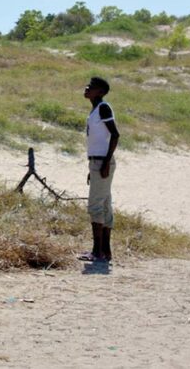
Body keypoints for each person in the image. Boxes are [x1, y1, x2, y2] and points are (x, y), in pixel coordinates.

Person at [80, 76, 120, 262]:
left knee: (96, 205)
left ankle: (97, 252)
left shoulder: (103, 108)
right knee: (104, 204)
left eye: (92, 87)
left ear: (101, 92)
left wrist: (105, 163)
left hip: (102, 162)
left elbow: (115, 134)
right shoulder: (95, 110)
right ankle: (105, 251)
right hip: (97, 162)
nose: (87, 88)